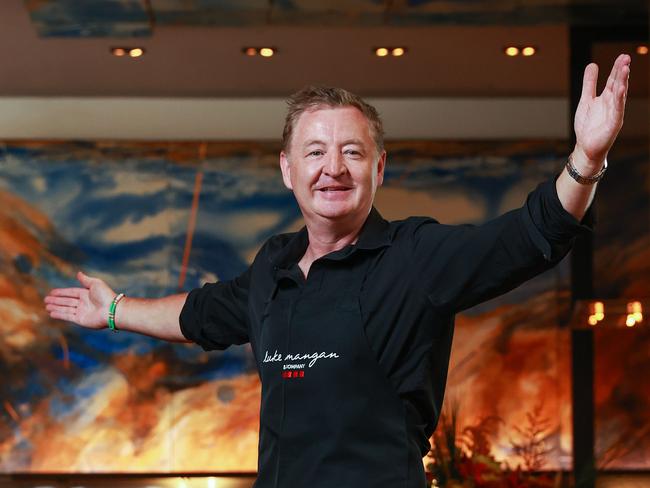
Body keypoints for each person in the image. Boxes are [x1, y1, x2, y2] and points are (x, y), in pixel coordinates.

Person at [45, 54, 631, 488]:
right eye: (315, 152)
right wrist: (116, 310)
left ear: (380, 168)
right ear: (286, 169)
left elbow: (531, 236)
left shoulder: (414, 255)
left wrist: (586, 159)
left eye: (351, 152)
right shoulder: (273, 264)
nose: (333, 169)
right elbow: (202, 313)